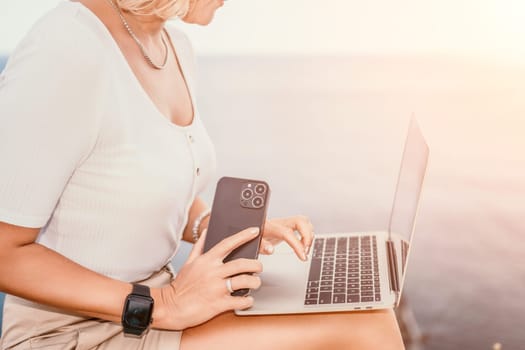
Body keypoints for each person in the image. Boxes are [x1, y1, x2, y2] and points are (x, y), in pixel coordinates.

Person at [0, 0, 405, 349]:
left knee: (364, 307)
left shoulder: (174, 47)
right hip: (72, 334)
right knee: (366, 329)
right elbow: (5, 253)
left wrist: (220, 228)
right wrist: (167, 305)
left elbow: (141, 183)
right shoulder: (64, 51)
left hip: (154, 304)